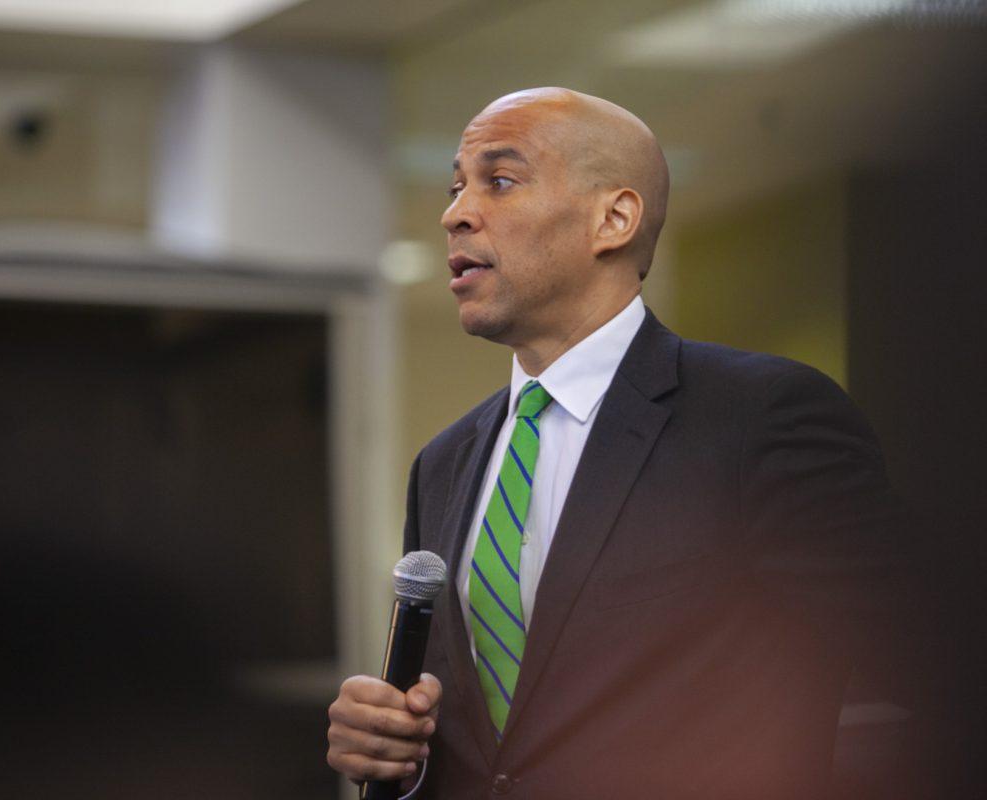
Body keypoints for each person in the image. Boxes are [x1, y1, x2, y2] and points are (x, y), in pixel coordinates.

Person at [327, 88, 917, 799]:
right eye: (456, 187)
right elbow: (492, 749)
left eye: (500, 181)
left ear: (614, 218)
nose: (455, 213)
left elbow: (923, 673)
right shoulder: (443, 465)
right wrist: (400, 753)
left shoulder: (762, 419)